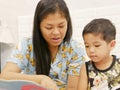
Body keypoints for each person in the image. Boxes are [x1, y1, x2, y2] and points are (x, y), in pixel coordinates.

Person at [0, 0, 86, 90]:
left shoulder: (76, 49)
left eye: (61, 26)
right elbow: (4, 76)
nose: (56, 32)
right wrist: (41, 79)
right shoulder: (27, 45)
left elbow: (72, 88)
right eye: (49, 27)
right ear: (39, 26)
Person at [78, 18, 120, 90]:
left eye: (97, 45)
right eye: (87, 46)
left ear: (111, 45)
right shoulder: (86, 68)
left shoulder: (118, 64)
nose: (91, 50)